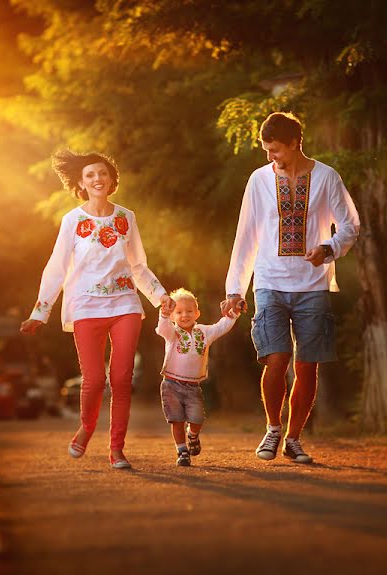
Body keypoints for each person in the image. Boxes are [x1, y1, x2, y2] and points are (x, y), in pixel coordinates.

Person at [20, 149, 175, 469]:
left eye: (102, 173)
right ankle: (86, 428)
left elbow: (137, 266)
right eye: (90, 175)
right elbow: (56, 268)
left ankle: (117, 449)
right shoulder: (73, 220)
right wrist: (40, 311)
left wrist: (161, 296)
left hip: (124, 304)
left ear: (111, 179)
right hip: (85, 306)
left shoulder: (126, 217)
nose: (97, 179)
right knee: (93, 380)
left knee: (120, 378)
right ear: (81, 183)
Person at [221, 112, 360, 464]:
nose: (270, 157)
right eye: (266, 150)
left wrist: (328, 248)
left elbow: (350, 225)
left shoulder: (327, 178)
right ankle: (272, 428)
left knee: (307, 365)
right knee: (276, 358)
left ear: (296, 142)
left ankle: (294, 438)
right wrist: (235, 288)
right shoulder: (258, 181)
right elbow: (246, 235)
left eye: (276, 150)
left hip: (312, 285)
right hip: (269, 281)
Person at [155, 288, 238, 466]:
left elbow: (221, 327)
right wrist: (163, 315)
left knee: (197, 418)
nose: (185, 315)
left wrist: (234, 313)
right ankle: (182, 450)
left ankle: (192, 435)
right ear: (172, 316)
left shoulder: (204, 332)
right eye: (179, 312)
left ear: (197, 313)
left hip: (193, 386)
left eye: (189, 311)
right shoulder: (172, 333)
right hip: (171, 384)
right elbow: (162, 329)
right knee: (176, 419)